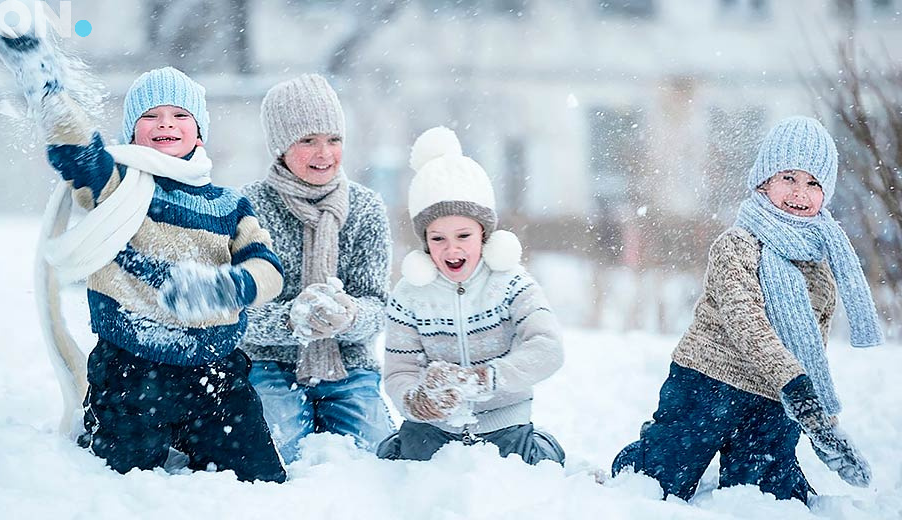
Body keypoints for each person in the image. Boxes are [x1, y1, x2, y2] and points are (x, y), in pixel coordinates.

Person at [0, 26, 287, 483]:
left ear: (199, 132)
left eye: (178, 114)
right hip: (133, 372)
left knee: (262, 481)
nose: (165, 123)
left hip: (215, 373)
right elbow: (78, 153)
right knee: (118, 482)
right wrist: (48, 93)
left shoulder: (229, 205)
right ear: (132, 132)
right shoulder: (118, 188)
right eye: (150, 116)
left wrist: (229, 285)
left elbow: (268, 270)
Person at [611, 116, 882, 503]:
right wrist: (797, 388)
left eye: (813, 183)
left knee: (767, 497)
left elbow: (811, 350)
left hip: (773, 399)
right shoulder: (736, 246)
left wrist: (820, 419)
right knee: (661, 481)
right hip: (708, 385)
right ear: (764, 181)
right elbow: (747, 323)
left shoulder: (822, 267)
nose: (799, 193)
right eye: (788, 177)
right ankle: (645, 455)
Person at [376, 126, 565, 465]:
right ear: (424, 241)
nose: (452, 249)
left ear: (484, 233)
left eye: (463, 234)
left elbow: (548, 348)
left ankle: (543, 444)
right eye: (438, 239)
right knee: (401, 460)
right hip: (433, 427)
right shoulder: (409, 295)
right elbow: (398, 369)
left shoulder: (511, 283)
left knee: (531, 466)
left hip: (505, 422)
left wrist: (486, 378)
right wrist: (416, 400)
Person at [240, 74, 394, 463]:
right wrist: (292, 322)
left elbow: (378, 306)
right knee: (278, 457)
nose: (324, 153)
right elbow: (236, 311)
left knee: (379, 457)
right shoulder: (248, 205)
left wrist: (349, 315)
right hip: (269, 363)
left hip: (349, 366)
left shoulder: (366, 207)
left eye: (333, 139)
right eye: (308, 141)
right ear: (280, 147)